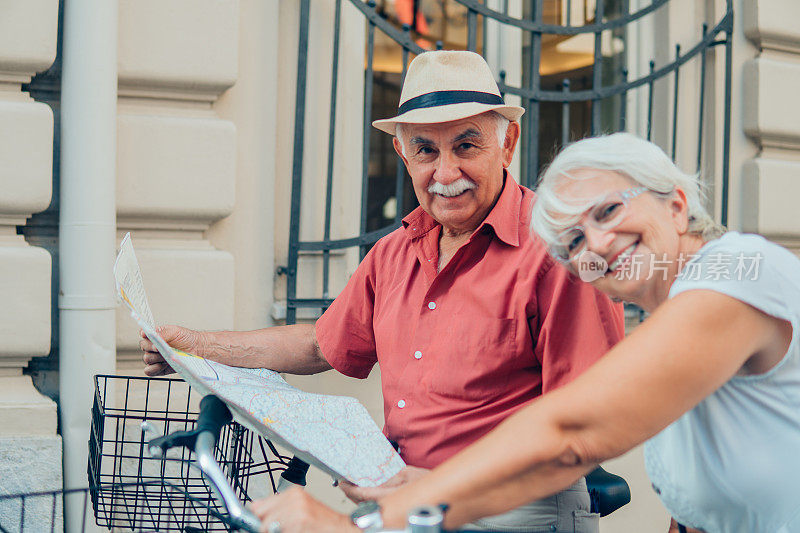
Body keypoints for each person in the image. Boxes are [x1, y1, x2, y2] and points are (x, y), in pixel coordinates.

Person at [141, 51, 624, 532]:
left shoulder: (561, 251)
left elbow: (585, 423)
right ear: (403, 154)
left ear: (508, 143)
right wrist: (193, 345)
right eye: (426, 151)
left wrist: (435, 488)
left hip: (517, 511)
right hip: (409, 506)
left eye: (467, 145)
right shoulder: (396, 252)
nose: (446, 172)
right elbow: (319, 344)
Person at [250, 132, 800, 532]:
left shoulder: (741, 270)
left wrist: (366, 525)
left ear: (676, 204)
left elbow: (570, 434)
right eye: (573, 243)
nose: (598, 245)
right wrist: (424, 492)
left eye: (608, 211)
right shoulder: (676, 318)